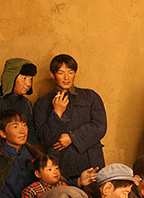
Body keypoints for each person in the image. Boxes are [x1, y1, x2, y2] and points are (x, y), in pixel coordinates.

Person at [33, 54, 107, 182]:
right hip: (61, 165)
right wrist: (57, 113)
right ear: (53, 75)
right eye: (61, 73)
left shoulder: (90, 97)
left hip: (91, 162)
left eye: (70, 72)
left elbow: (100, 127)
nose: (66, 77)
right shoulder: (42, 103)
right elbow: (45, 138)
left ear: (75, 74)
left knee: (95, 194)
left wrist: (72, 137)